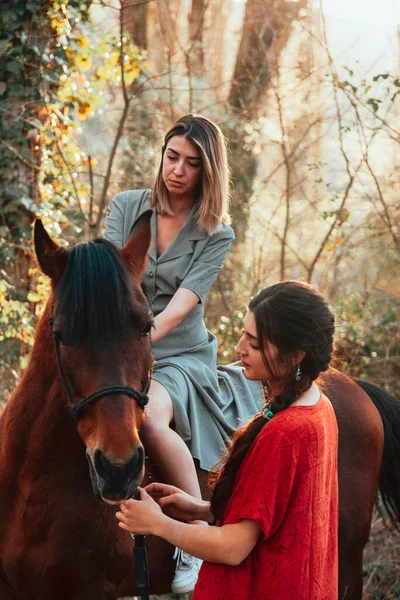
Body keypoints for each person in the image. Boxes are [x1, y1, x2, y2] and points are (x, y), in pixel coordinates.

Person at [104, 114, 263, 593]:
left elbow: (183, 303)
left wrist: (139, 339)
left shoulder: (216, 232)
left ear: (207, 171)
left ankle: (194, 543)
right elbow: (110, 279)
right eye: (172, 157)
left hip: (178, 354)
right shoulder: (127, 207)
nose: (177, 170)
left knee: (149, 418)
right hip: (120, 348)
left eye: (192, 163)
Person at [115, 281, 339, 600]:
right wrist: (205, 509)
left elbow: (234, 548)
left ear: (295, 356)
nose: (238, 348)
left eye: (255, 343)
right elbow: (277, 516)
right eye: (243, 333)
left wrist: (157, 524)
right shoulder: (317, 406)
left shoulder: (285, 432)